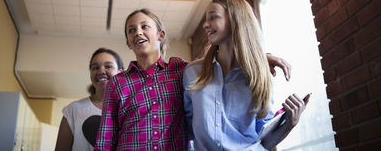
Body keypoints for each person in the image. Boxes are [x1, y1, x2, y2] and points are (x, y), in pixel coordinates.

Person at [95, 8, 292, 151]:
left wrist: (262, 58)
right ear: (128, 43)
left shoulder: (182, 71)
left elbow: (222, 61)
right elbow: (106, 137)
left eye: (144, 26)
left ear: (161, 35)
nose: (137, 32)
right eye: (131, 30)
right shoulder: (117, 83)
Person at [183, 0, 310, 151]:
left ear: (235, 20)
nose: (205, 25)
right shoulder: (192, 73)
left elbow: (263, 141)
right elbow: (187, 129)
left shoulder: (261, 77)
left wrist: (290, 124)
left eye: (213, 17)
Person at [55, 48, 124, 151]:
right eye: (95, 68)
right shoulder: (73, 110)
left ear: (120, 72)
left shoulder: (129, 110)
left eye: (108, 66)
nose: (101, 71)